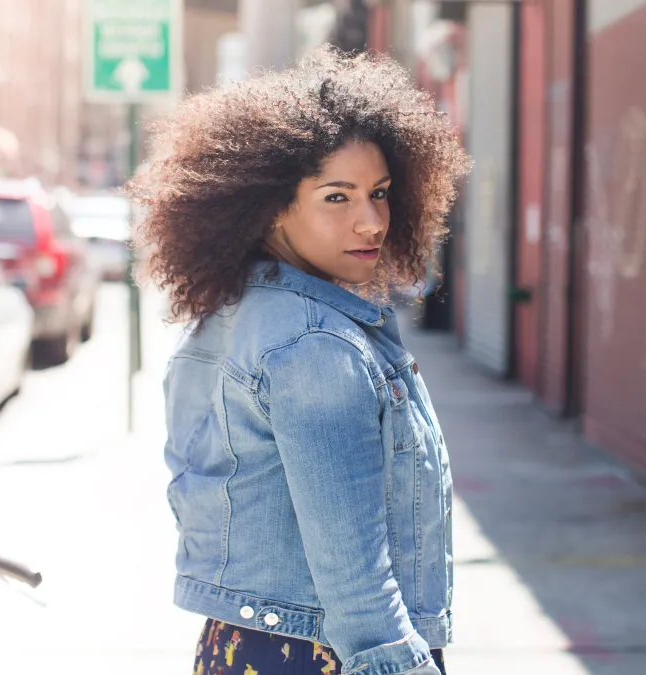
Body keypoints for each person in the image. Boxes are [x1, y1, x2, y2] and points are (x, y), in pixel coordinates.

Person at [129, 46, 470, 675]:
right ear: (271, 207)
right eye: (337, 198)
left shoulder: (238, 311)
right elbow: (356, 579)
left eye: (380, 193)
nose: (371, 222)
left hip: (245, 643)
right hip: (321, 656)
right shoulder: (314, 344)